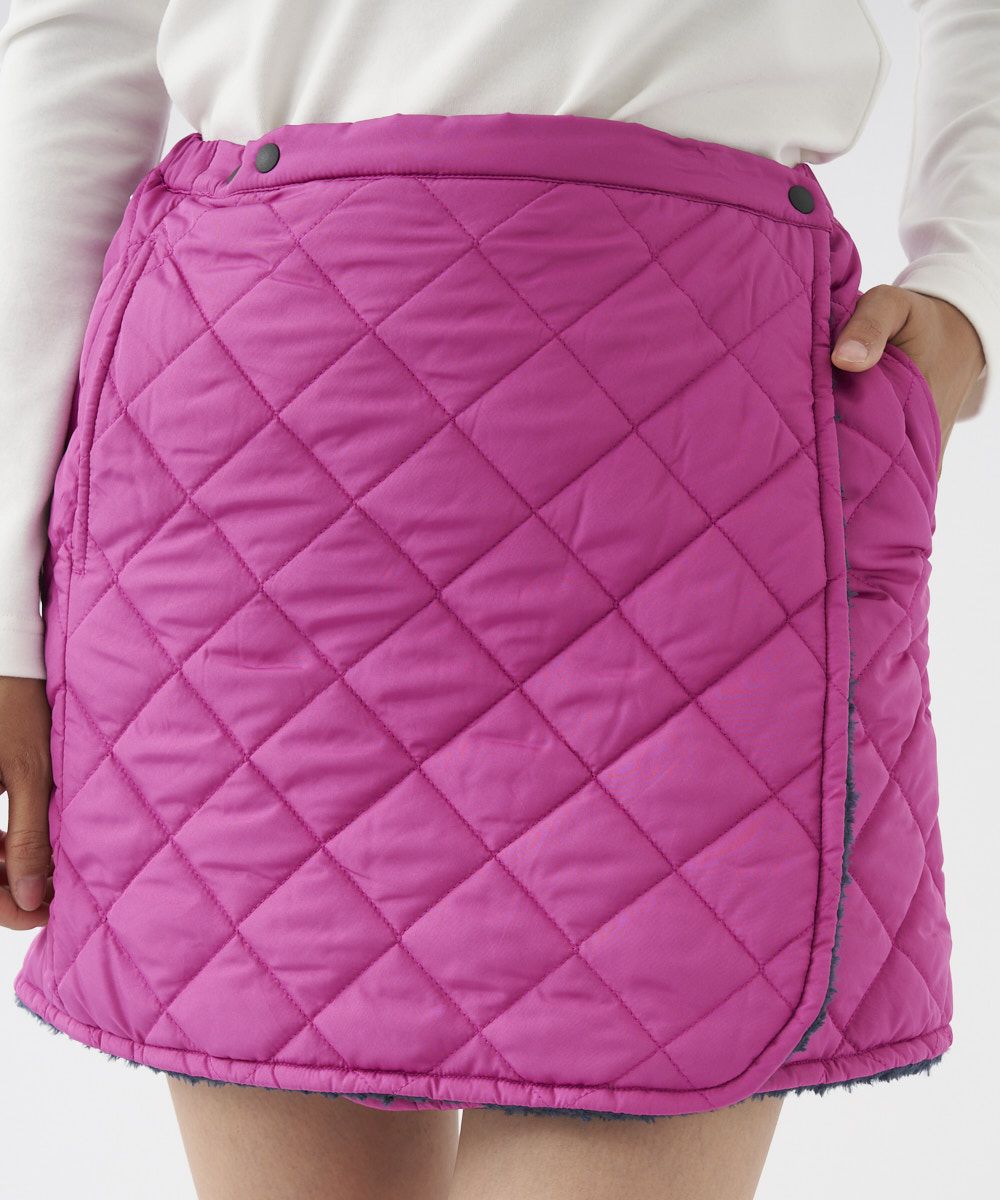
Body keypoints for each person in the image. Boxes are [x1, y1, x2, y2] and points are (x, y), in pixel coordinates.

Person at [0, 3, 992, 1199]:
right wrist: (4, 606)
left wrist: (971, 275)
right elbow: (81, 30)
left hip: (693, 457)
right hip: (262, 456)